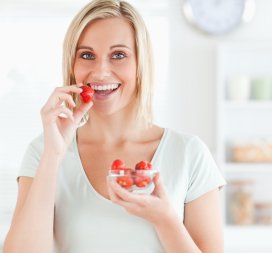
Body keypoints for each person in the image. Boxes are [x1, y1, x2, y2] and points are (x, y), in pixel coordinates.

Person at [3, 0, 226, 252]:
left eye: (118, 55)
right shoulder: (44, 150)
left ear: (141, 63)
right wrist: (53, 155)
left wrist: (165, 220)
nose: (100, 72)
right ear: (72, 65)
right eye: (87, 55)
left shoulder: (189, 154)